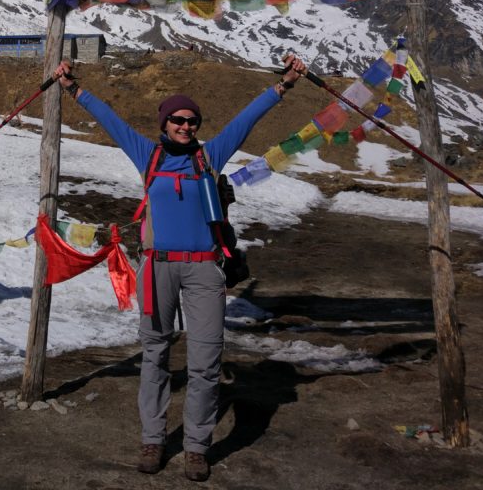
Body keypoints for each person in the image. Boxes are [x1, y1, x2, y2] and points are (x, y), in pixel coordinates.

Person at [53, 54, 307, 481]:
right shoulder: (148, 156)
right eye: (178, 120)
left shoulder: (210, 158)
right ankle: (153, 441)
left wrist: (283, 86)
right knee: (154, 356)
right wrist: (73, 89)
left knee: (206, 362)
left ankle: (195, 447)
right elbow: (110, 120)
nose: (187, 126)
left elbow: (245, 121)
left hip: (205, 270)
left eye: (192, 121)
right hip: (156, 270)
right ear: (164, 123)